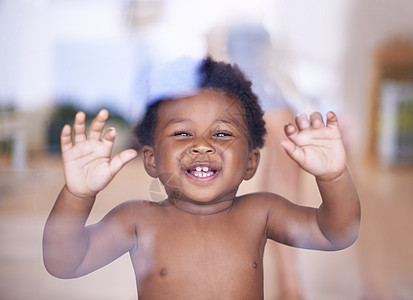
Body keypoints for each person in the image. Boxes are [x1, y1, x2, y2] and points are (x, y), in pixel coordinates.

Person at [43, 56, 360, 299]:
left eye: (222, 134)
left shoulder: (261, 213)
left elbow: (336, 233)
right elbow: (65, 262)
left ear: (251, 162)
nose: (202, 146)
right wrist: (78, 195)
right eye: (182, 133)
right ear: (151, 160)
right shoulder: (137, 219)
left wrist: (333, 176)